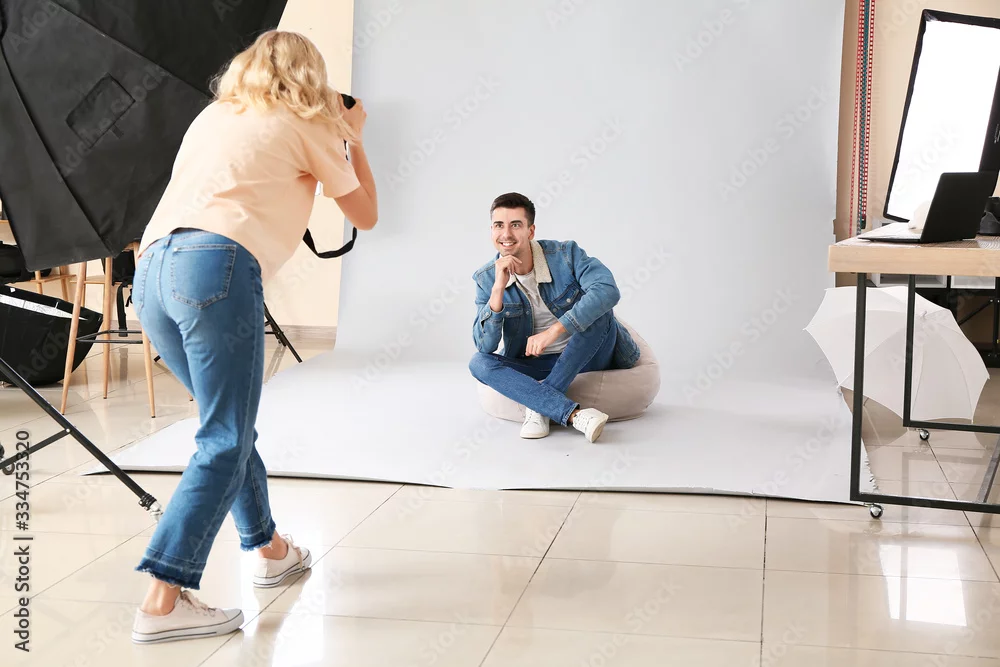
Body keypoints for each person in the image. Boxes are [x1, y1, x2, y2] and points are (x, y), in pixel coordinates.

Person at [128, 31, 378, 644]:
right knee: (225, 437)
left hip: (152, 272)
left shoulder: (215, 116)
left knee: (229, 427)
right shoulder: (307, 121)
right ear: (311, 76)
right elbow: (365, 215)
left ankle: (270, 551)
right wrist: (352, 137)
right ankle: (162, 599)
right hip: (214, 267)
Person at [469, 193, 640, 442]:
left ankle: (539, 406)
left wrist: (554, 331)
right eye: (498, 225)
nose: (506, 234)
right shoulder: (486, 278)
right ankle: (573, 415)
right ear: (491, 230)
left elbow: (607, 290)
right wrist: (498, 289)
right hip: (539, 363)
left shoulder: (566, 255)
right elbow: (485, 345)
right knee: (479, 363)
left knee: (601, 314)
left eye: (515, 225)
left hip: (588, 355)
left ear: (530, 231)